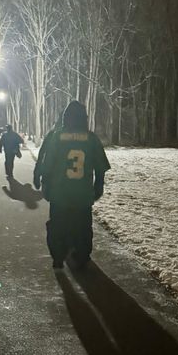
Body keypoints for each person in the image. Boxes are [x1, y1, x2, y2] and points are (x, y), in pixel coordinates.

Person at [35, 100, 110, 270]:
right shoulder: (91, 139)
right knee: (83, 227)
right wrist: (98, 187)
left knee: (57, 225)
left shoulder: (56, 137)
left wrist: (44, 183)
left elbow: (48, 165)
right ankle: (82, 256)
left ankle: (58, 256)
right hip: (82, 195)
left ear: (65, 118)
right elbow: (100, 167)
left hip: (59, 194)